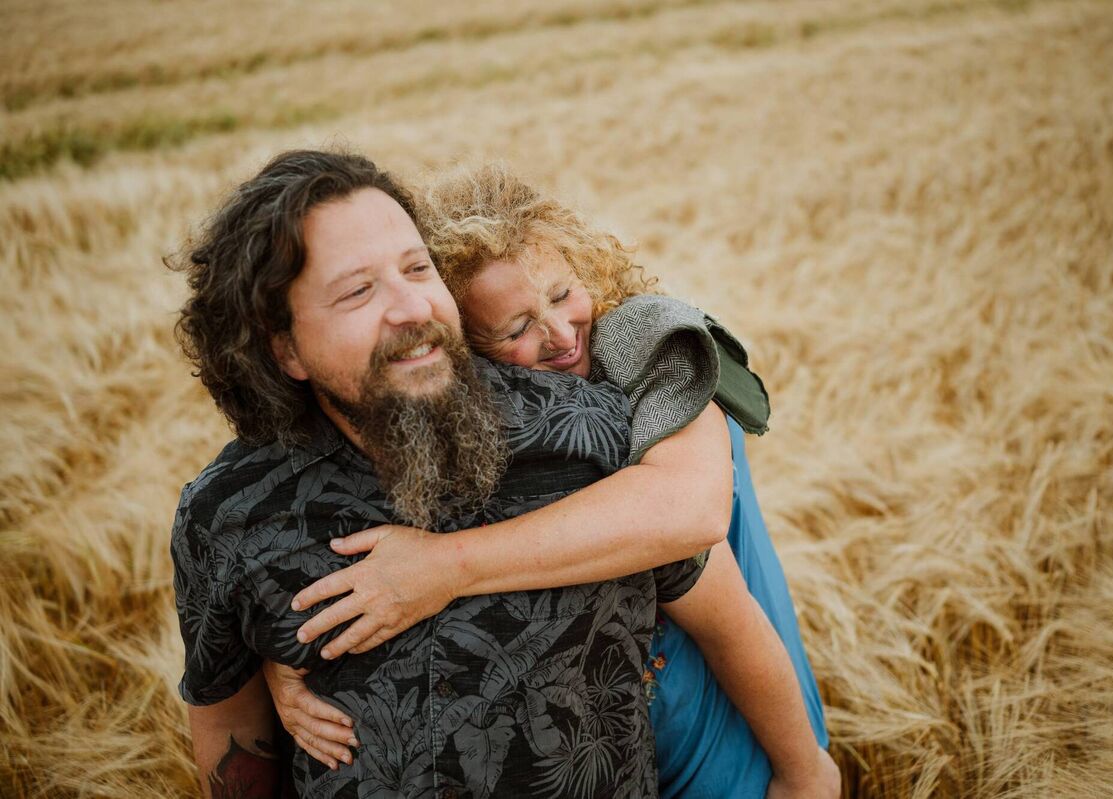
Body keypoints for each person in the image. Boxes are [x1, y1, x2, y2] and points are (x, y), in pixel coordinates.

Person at [168, 148, 834, 798]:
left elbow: (713, 573)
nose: (410, 308)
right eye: (358, 290)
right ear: (283, 345)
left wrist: (806, 772)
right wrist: (272, 661)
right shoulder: (226, 515)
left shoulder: (604, 422)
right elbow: (230, 727)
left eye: (416, 268)